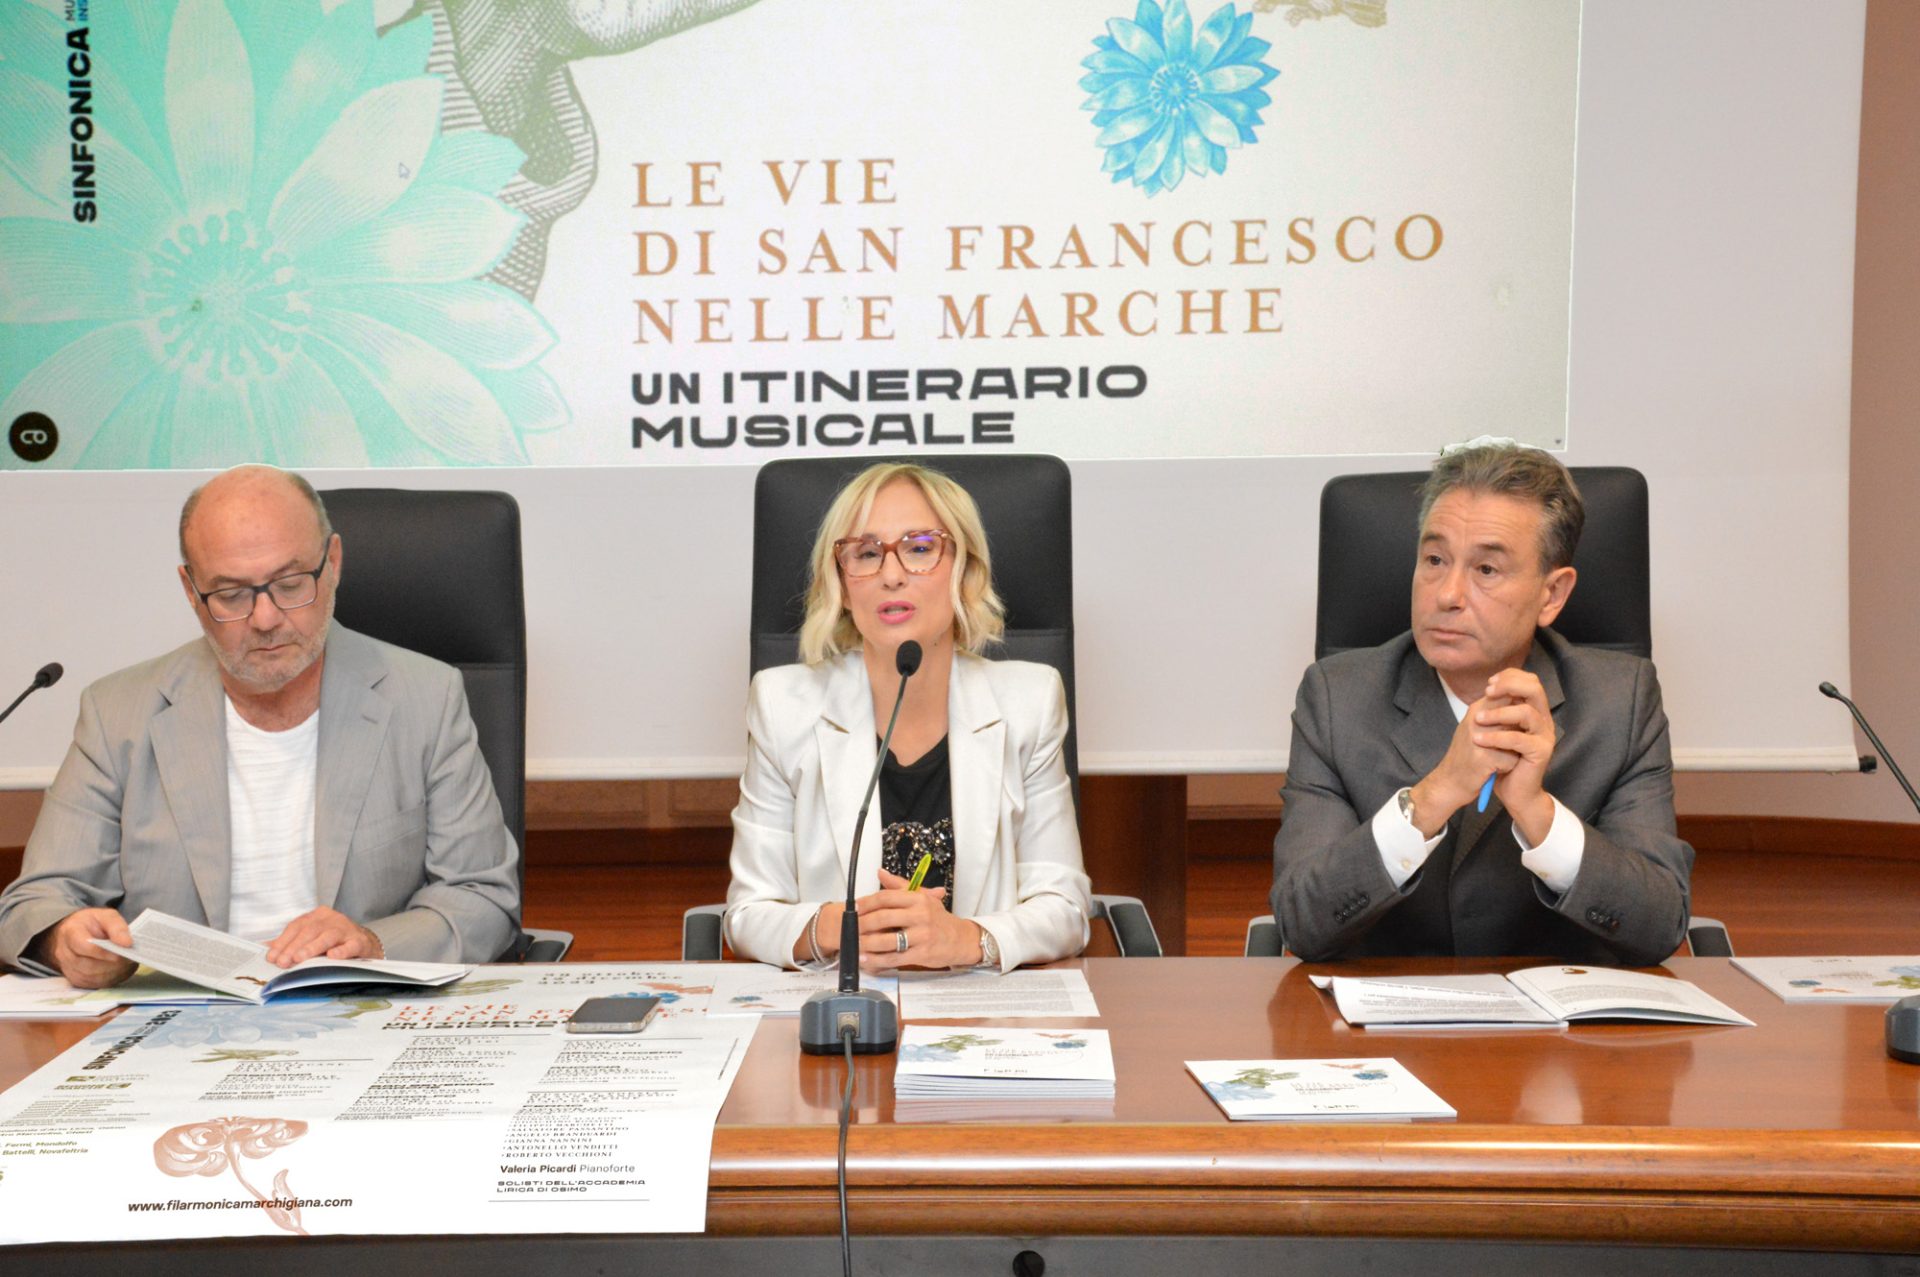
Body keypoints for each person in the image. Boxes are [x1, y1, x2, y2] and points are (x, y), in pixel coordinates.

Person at [0, 466, 521, 986]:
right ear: (190, 591)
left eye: (290, 585)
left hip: (354, 1003)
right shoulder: (118, 713)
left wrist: (374, 944)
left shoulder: (425, 698)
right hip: (178, 1013)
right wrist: (65, 938)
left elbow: (483, 898)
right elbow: (33, 902)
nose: (266, 619)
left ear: (333, 564)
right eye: (231, 595)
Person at [1270, 441, 1693, 965]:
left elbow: (1658, 927)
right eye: (1434, 560)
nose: (1447, 594)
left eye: (1486, 570)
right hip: (1390, 1005)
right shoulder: (1338, 699)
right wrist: (1434, 795)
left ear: (1552, 595)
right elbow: (1302, 923)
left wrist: (1538, 813)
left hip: (1561, 1012)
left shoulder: (1619, 703)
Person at [724, 463, 1092, 972]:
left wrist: (968, 938)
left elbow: (1066, 907)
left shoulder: (1029, 702)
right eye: (866, 553)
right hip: (843, 1000)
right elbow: (747, 914)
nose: (891, 574)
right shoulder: (782, 705)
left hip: (980, 1004)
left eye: (919, 548)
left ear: (964, 572)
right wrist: (835, 926)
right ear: (842, 585)